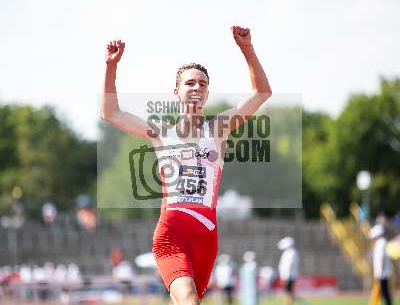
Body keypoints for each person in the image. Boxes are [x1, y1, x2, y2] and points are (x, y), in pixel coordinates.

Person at [101, 26, 272, 304]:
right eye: (190, 83)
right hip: (171, 235)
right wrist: (111, 67)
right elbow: (110, 113)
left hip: (206, 237)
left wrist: (247, 48)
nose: (197, 87)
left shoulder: (218, 129)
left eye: (202, 84)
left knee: (185, 301)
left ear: (207, 94)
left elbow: (261, 92)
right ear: (177, 91)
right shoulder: (160, 133)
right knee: (189, 300)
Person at [368, 224, 392, 305]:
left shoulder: (381, 243)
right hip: (382, 272)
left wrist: (379, 272)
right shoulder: (382, 243)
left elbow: (381, 258)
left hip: (382, 273)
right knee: (383, 292)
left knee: (384, 292)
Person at [277, 237, 301, 305]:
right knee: (289, 292)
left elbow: (289, 266)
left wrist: (286, 277)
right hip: (288, 276)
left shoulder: (291, 253)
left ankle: (291, 303)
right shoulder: (290, 252)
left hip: (289, 276)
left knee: (289, 292)